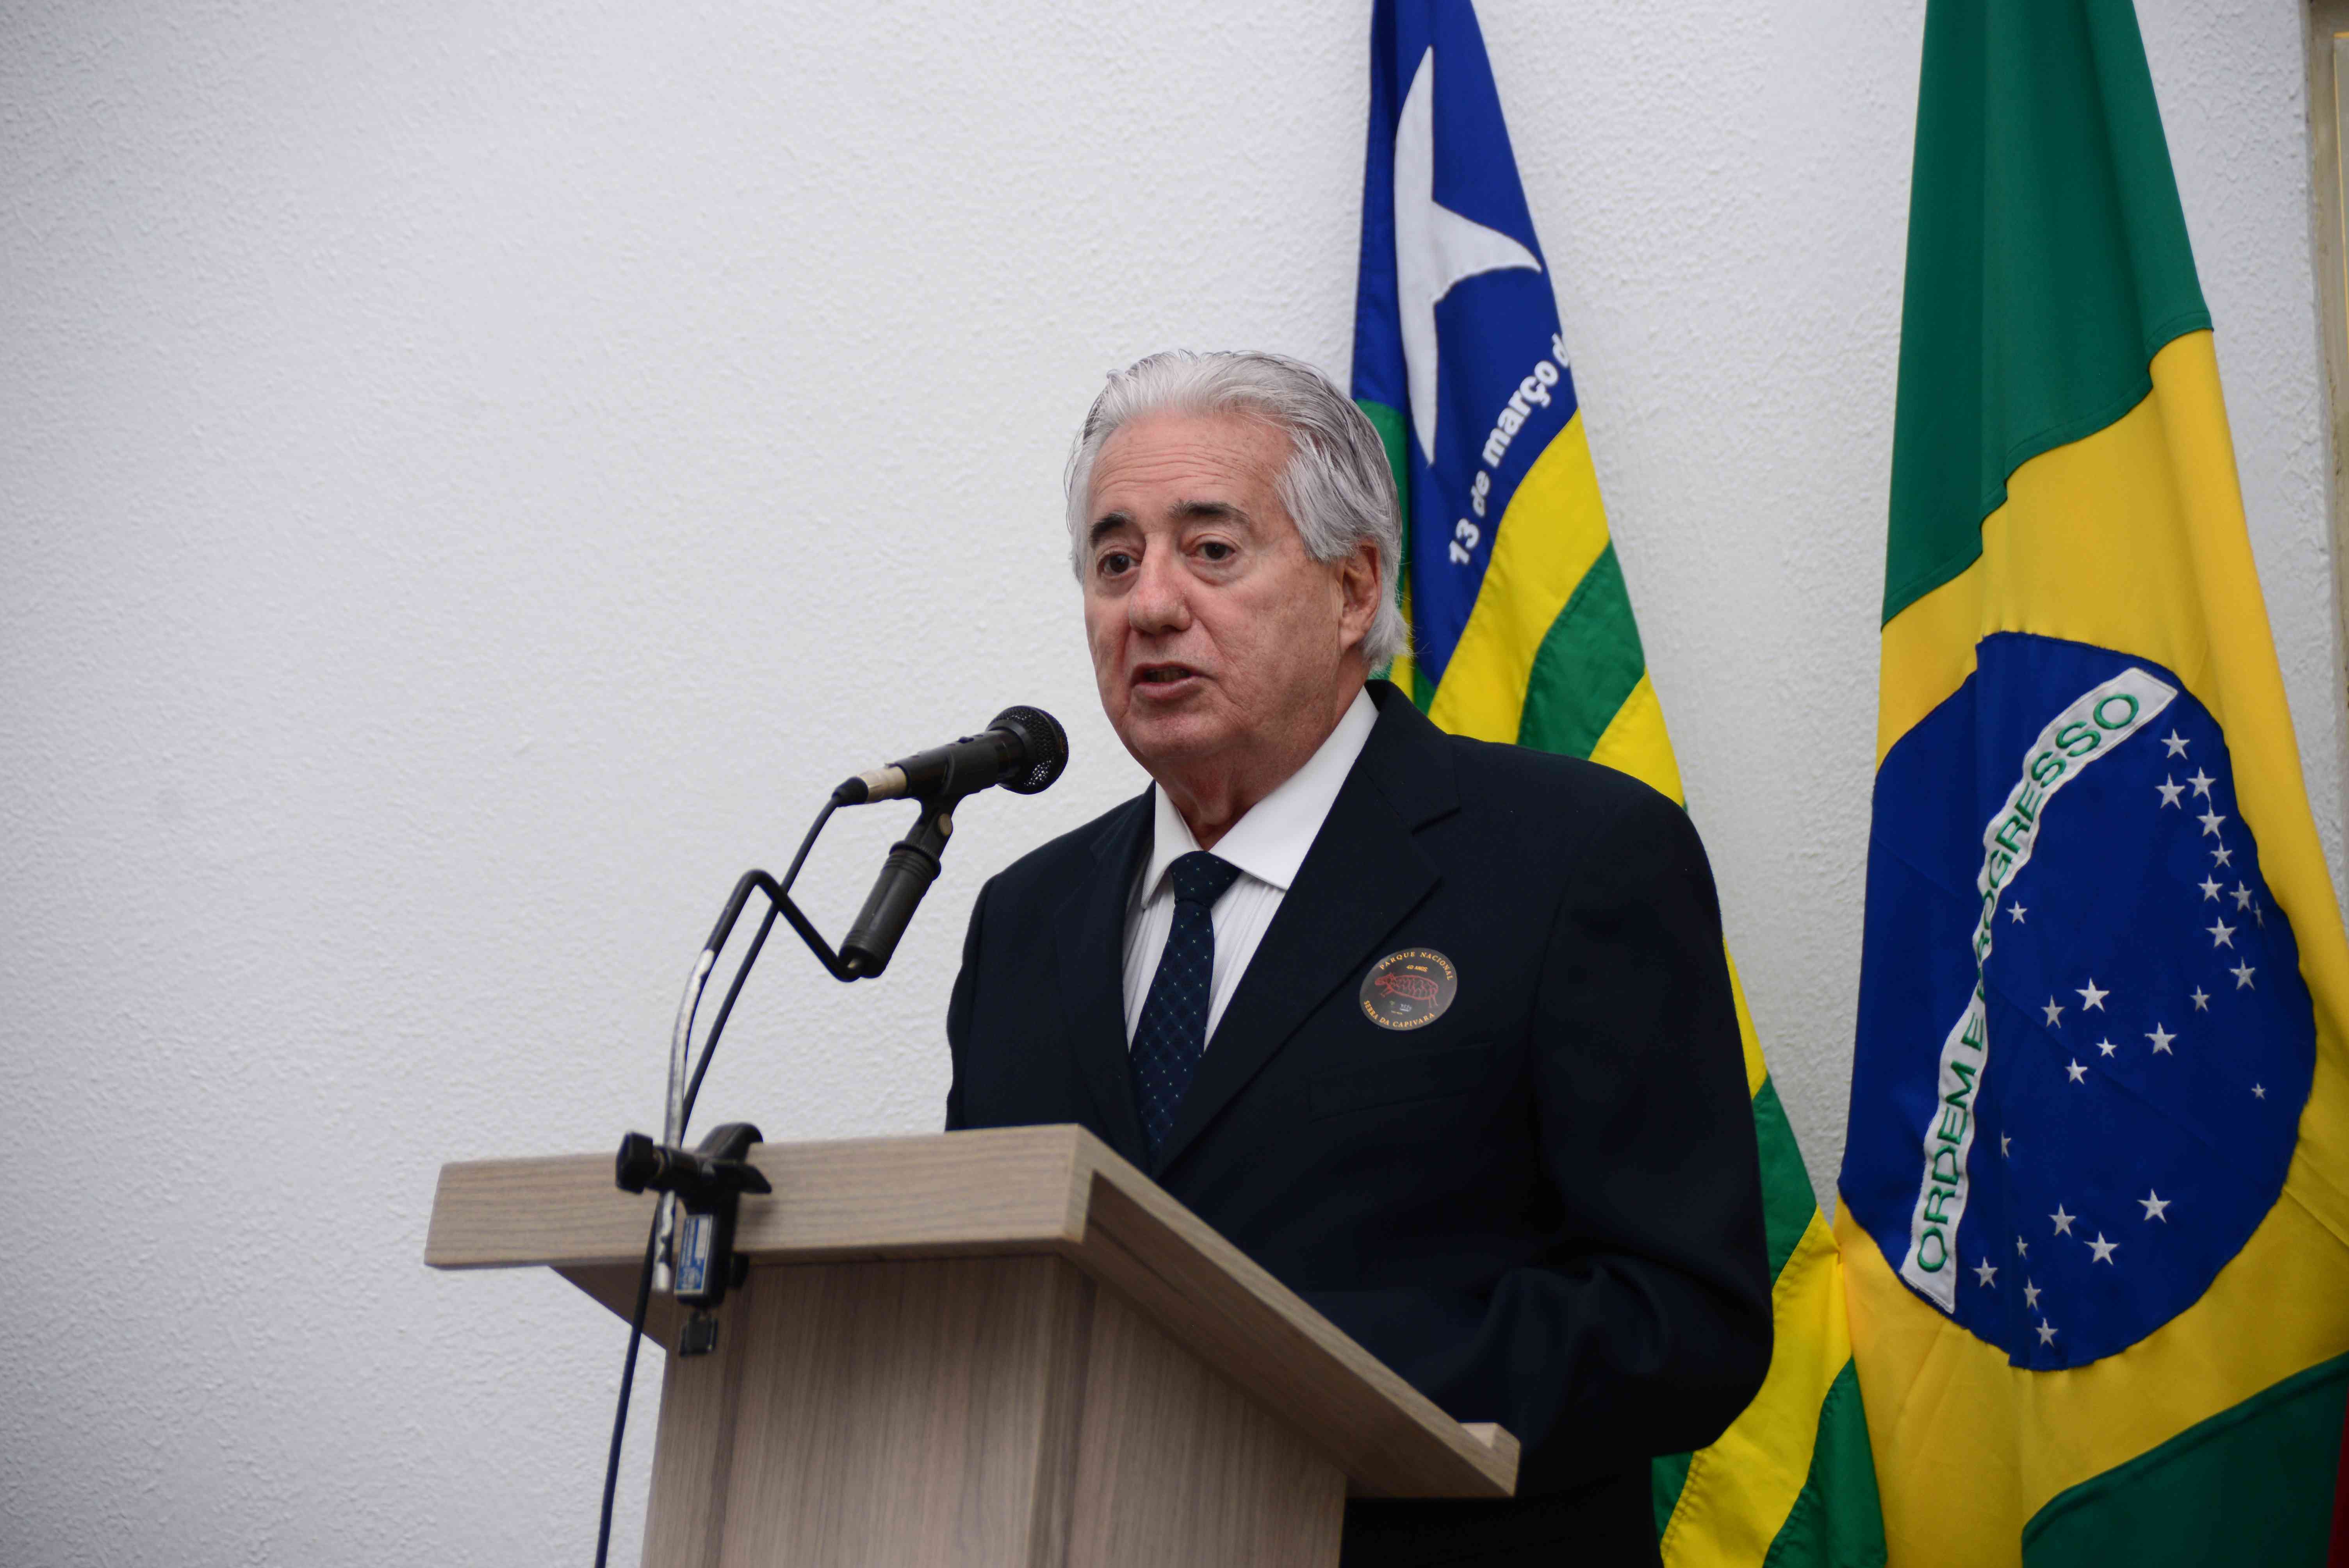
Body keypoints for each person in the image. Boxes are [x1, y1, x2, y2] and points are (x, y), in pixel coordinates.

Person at [945, 349, 1770, 1567]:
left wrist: (1268, 1374)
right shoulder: (1025, 918)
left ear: (1352, 589)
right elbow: (995, 1295)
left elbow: (1681, 1321)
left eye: (1210, 550)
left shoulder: (1575, 860)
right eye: (1115, 562)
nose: (1151, 605)